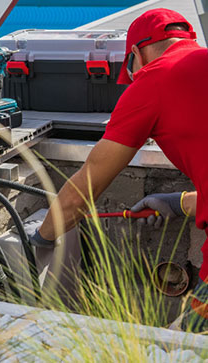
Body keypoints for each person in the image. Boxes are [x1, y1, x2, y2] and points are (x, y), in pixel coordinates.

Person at [29, 8, 208, 332]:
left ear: (136, 53)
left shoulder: (153, 80)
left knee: (176, 348)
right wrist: (179, 202)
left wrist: (40, 239)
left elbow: (79, 196)